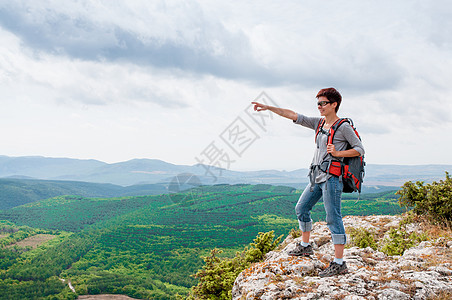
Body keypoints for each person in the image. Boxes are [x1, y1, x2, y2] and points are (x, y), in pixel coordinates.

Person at [252, 88, 365, 277]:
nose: (319, 107)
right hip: (317, 177)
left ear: (334, 104)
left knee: (333, 217)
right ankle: (305, 246)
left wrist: (338, 153)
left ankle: (339, 263)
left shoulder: (343, 127)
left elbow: (359, 149)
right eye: (318, 104)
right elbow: (293, 115)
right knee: (301, 208)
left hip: (332, 179)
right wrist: (269, 108)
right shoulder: (319, 123)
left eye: (323, 103)